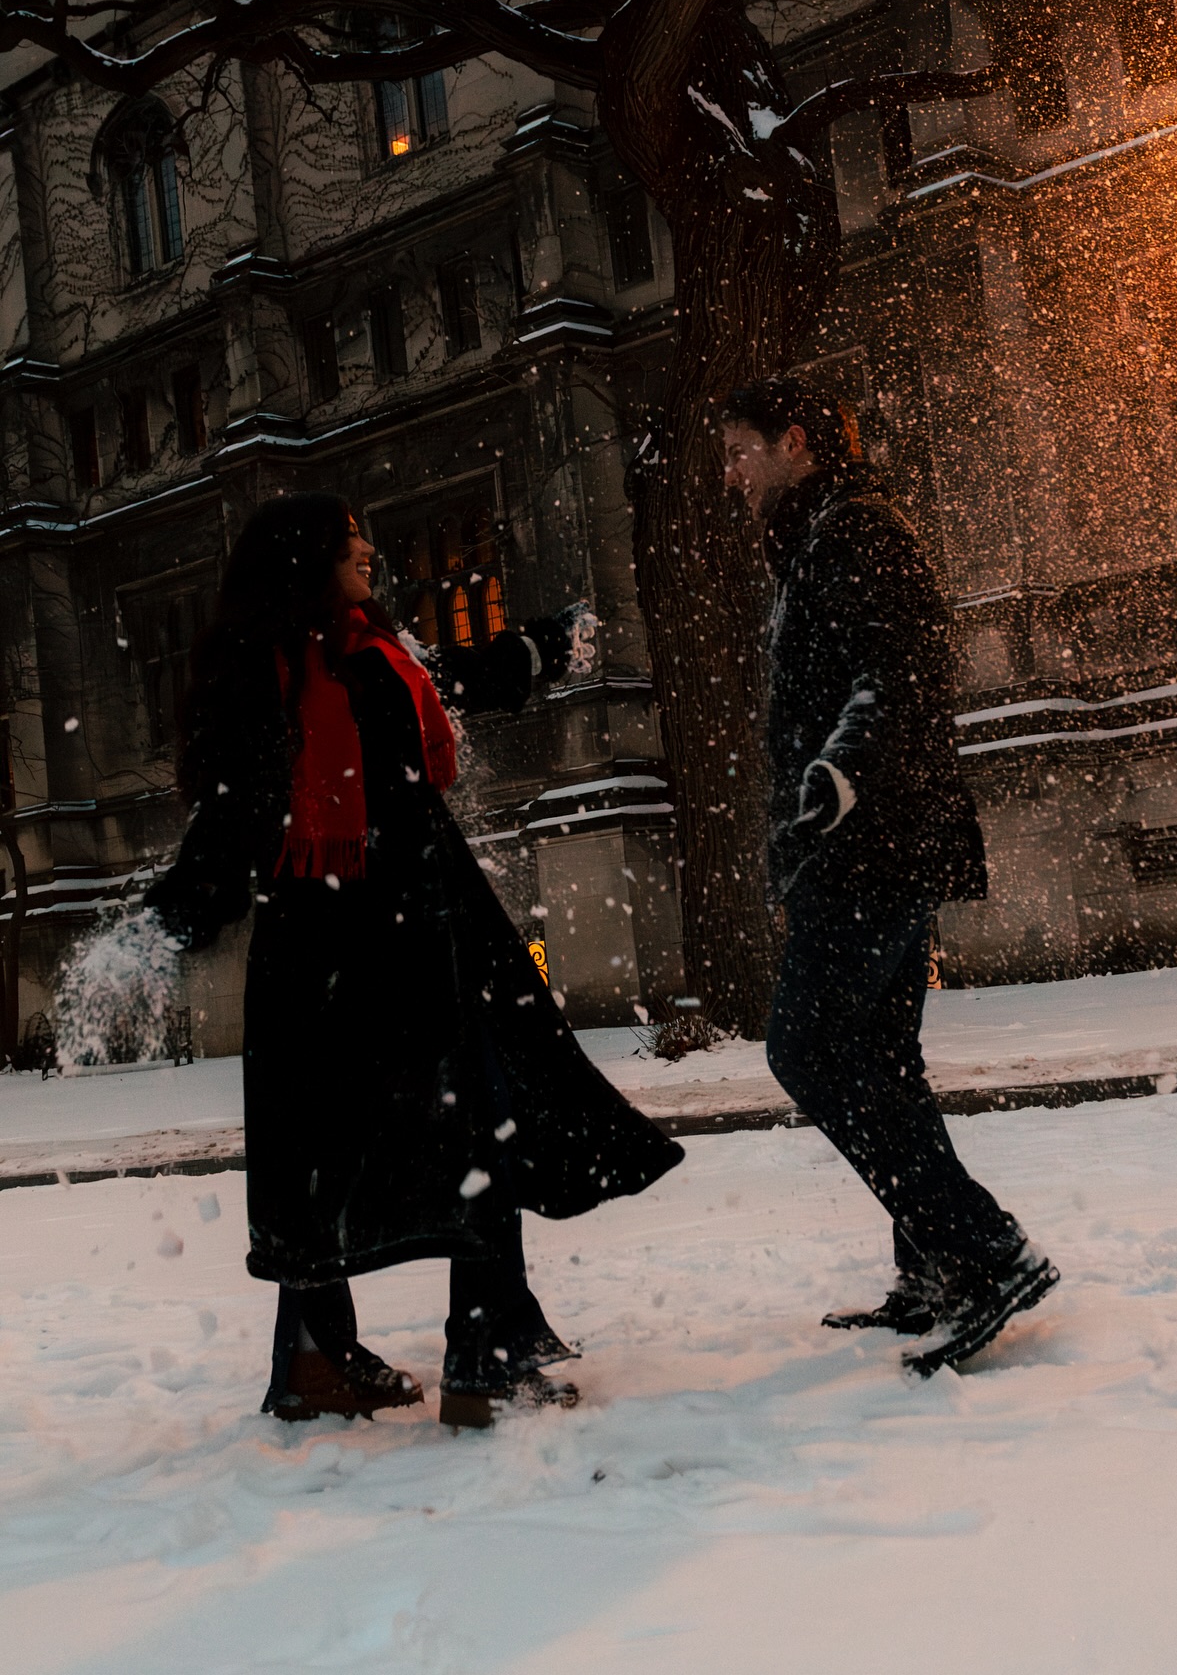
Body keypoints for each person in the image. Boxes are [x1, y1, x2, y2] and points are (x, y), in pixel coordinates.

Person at [147, 493, 683, 1427]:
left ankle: (384, 1351)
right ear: (304, 560)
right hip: (349, 948)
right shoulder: (271, 672)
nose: (366, 547)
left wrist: (540, 649)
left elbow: (452, 680)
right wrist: (177, 911)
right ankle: (465, 1362)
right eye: (347, 537)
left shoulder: (370, 647)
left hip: (410, 931)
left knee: (446, 1127)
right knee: (435, 1133)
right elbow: (235, 806)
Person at [720, 380, 1058, 1377]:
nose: (728, 476)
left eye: (740, 451)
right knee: (877, 1058)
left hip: (871, 845)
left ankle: (986, 1254)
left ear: (795, 443)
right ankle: (933, 1272)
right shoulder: (815, 538)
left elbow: (905, 663)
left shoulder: (856, 532)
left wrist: (838, 773)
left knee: (809, 1049)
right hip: (868, 844)